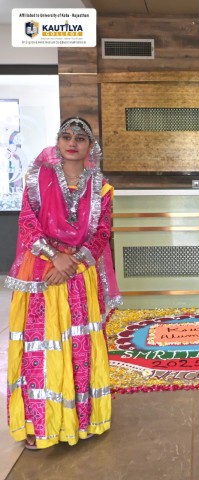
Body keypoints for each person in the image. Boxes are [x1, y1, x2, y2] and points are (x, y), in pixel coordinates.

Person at [5, 117, 121, 450]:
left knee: (78, 347)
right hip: (41, 274)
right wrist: (54, 257)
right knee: (40, 347)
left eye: (80, 138)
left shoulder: (101, 189)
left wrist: (73, 262)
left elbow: (101, 233)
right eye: (66, 136)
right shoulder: (36, 179)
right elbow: (28, 224)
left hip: (79, 276)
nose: (72, 142)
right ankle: (38, 424)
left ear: (90, 147)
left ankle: (80, 420)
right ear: (57, 142)